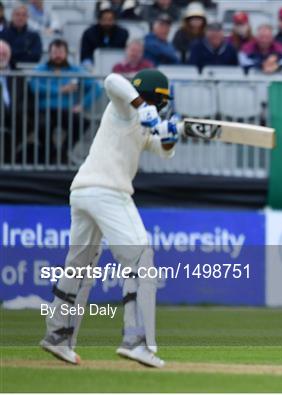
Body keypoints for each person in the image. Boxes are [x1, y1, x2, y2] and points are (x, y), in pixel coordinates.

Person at [39, 69, 178, 368]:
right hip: (107, 193)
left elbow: (162, 151)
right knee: (141, 260)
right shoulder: (124, 107)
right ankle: (137, 340)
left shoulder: (142, 122)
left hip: (82, 192)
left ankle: (59, 336)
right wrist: (143, 106)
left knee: (79, 267)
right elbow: (112, 79)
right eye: (160, 103)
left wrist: (169, 137)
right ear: (156, 98)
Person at [30, 39, 101, 163]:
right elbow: (33, 86)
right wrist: (60, 90)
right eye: (55, 52)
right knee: (42, 124)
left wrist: (83, 105)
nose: (57, 55)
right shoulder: (40, 69)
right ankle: (50, 153)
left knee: (82, 123)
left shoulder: (75, 70)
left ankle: (62, 152)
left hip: (65, 110)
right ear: (49, 53)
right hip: (44, 109)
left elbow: (96, 87)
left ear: (66, 53)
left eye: (61, 52)